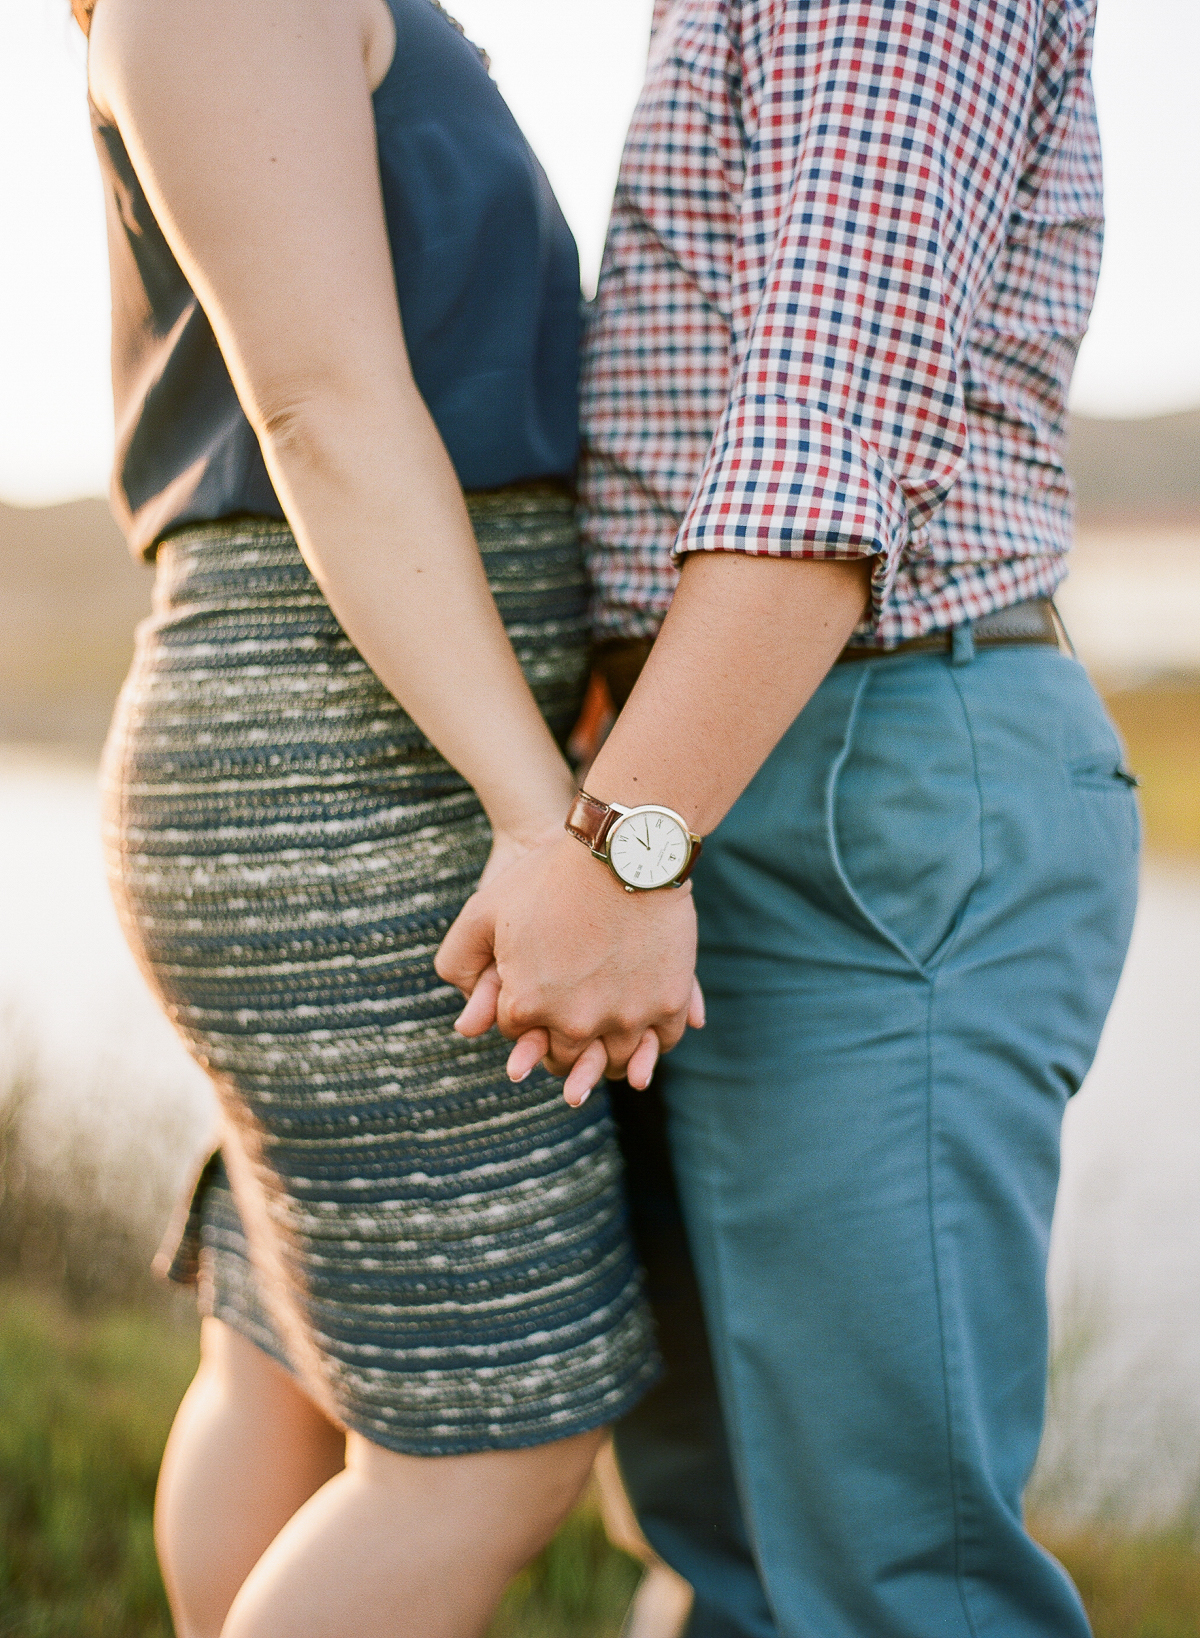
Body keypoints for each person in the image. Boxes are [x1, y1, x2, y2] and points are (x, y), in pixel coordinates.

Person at [437, 1, 1141, 1634]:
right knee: (722, 1530)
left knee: (895, 1576)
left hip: (857, 774)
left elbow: (832, 416)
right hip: (723, 771)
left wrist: (626, 841)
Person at [77, 1, 703, 1634]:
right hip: (350, 761)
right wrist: (541, 814)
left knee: (282, 1353)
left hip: (372, 735)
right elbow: (323, 409)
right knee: (493, 1456)